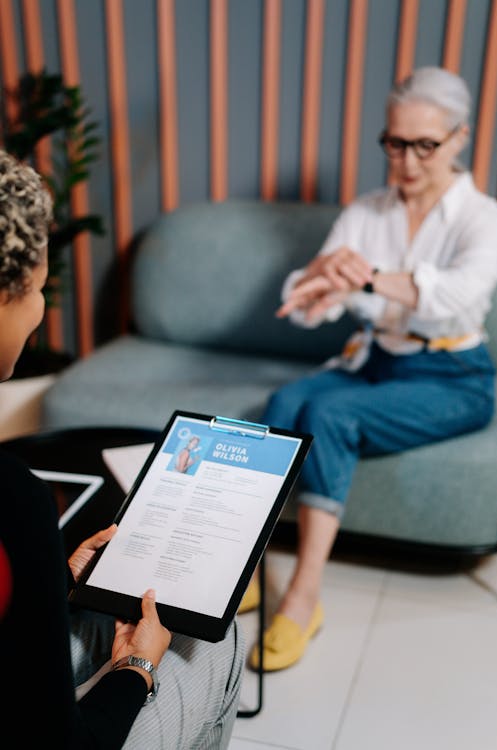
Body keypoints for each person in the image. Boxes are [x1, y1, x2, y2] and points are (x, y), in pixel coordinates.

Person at [242, 66, 497, 672]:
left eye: (425, 145)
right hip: (375, 360)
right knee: (283, 403)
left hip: (454, 377)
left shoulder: (484, 218)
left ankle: (304, 599)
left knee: (329, 414)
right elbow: (313, 300)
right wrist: (314, 284)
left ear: (460, 139)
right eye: (394, 142)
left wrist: (361, 276)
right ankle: (243, 570)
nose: (406, 160)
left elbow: (452, 297)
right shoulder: (367, 210)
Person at [0, 150, 245, 748]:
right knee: (211, 636)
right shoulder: (11, 500)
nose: (39, 309)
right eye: (36, 289)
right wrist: (138, 667)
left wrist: (45, 583)